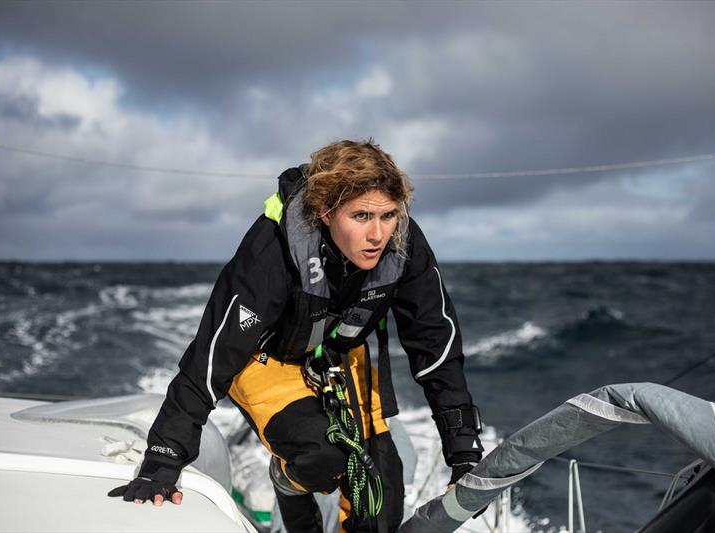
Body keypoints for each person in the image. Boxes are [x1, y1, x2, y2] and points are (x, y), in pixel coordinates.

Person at [108, 139, 484, 532]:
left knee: (379, 495)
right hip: (267, 360)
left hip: (340, 358)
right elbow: (212, 355)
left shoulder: (402, 245)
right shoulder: (273, 250)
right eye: (360, 216)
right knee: (324, 460)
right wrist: (163, 460)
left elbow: (436, 347)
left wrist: (464, 453)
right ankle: (286, 483)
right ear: (325, 211)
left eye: (389, 215)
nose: (378, 234)